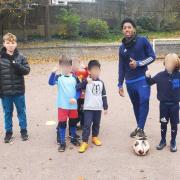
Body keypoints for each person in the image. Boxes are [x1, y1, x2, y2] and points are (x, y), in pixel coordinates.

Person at [118, 18, 156, 138]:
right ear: (122, 31)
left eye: (129, 27)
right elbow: (121, 67)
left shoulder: (142, 40)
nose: (127, 29)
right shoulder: (121, 47)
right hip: (130, 82)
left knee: (144, 100)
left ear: (134, 29)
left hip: (142, 79)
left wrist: (138, 63)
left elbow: (152, 57)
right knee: (136, 105)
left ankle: (140, 128)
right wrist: (120, 84)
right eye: (124, 28)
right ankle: (140, 128)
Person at [146, 53, 180, 152]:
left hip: (175, 105)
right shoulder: (160, 75)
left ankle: (173, 142)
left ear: (176, 64)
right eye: (167, 62)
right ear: (164, 63)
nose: (169, 64)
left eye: (172, 63)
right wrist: (147, 76)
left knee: (174, 124)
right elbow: (150, 82)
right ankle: (163, 140)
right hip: (163, 105)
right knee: (163, 123)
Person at [0, 33, 30, 143]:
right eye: (8, 43)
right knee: (7, 113)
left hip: (19, 91)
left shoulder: (21, 57)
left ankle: (24, 131)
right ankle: (8, 132)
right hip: (5, 93)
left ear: (16, 44)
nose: (10, 45)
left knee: (21, 111)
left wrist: (17, 65)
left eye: (12, 43)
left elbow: (26, 70)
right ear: (4, 44)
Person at [48, 56, 80, 152]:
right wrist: (53, 72)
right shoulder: (58, 77)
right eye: (63, 66)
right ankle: (62, 142)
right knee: (62, 124)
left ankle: (73, 138)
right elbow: (50, 83)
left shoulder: (75, 78)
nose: (66, 68)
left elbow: (78, 90)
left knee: (73, 123)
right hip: (62, 106)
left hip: (73, 106)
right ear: (61, 67)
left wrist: (75, 98)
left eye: (68, 67)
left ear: (71, 67)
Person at [76, 60, 108, 153]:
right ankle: (85, 142)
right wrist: (85, 82)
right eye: (94, 70)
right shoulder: (86, 81)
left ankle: (94, 137)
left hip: (98, 108)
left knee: (97, 124)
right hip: (88, 108)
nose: (96, 72)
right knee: (87, 125)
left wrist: (105, 107)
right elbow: (77, 87)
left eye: (97, 70)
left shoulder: (101, 83)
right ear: (89, 71)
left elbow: (104, 95)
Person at [72, 57, 89, 130]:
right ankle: (74, 124)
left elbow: (89, 74)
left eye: (77, 64)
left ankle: (83, 124)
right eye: (73, 64)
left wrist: (86, 68)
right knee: (76, 110)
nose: (75, 66)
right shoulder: (71, 73)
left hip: (83, 95)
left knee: (83, 110)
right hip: (76, 95)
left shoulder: (83, 71)